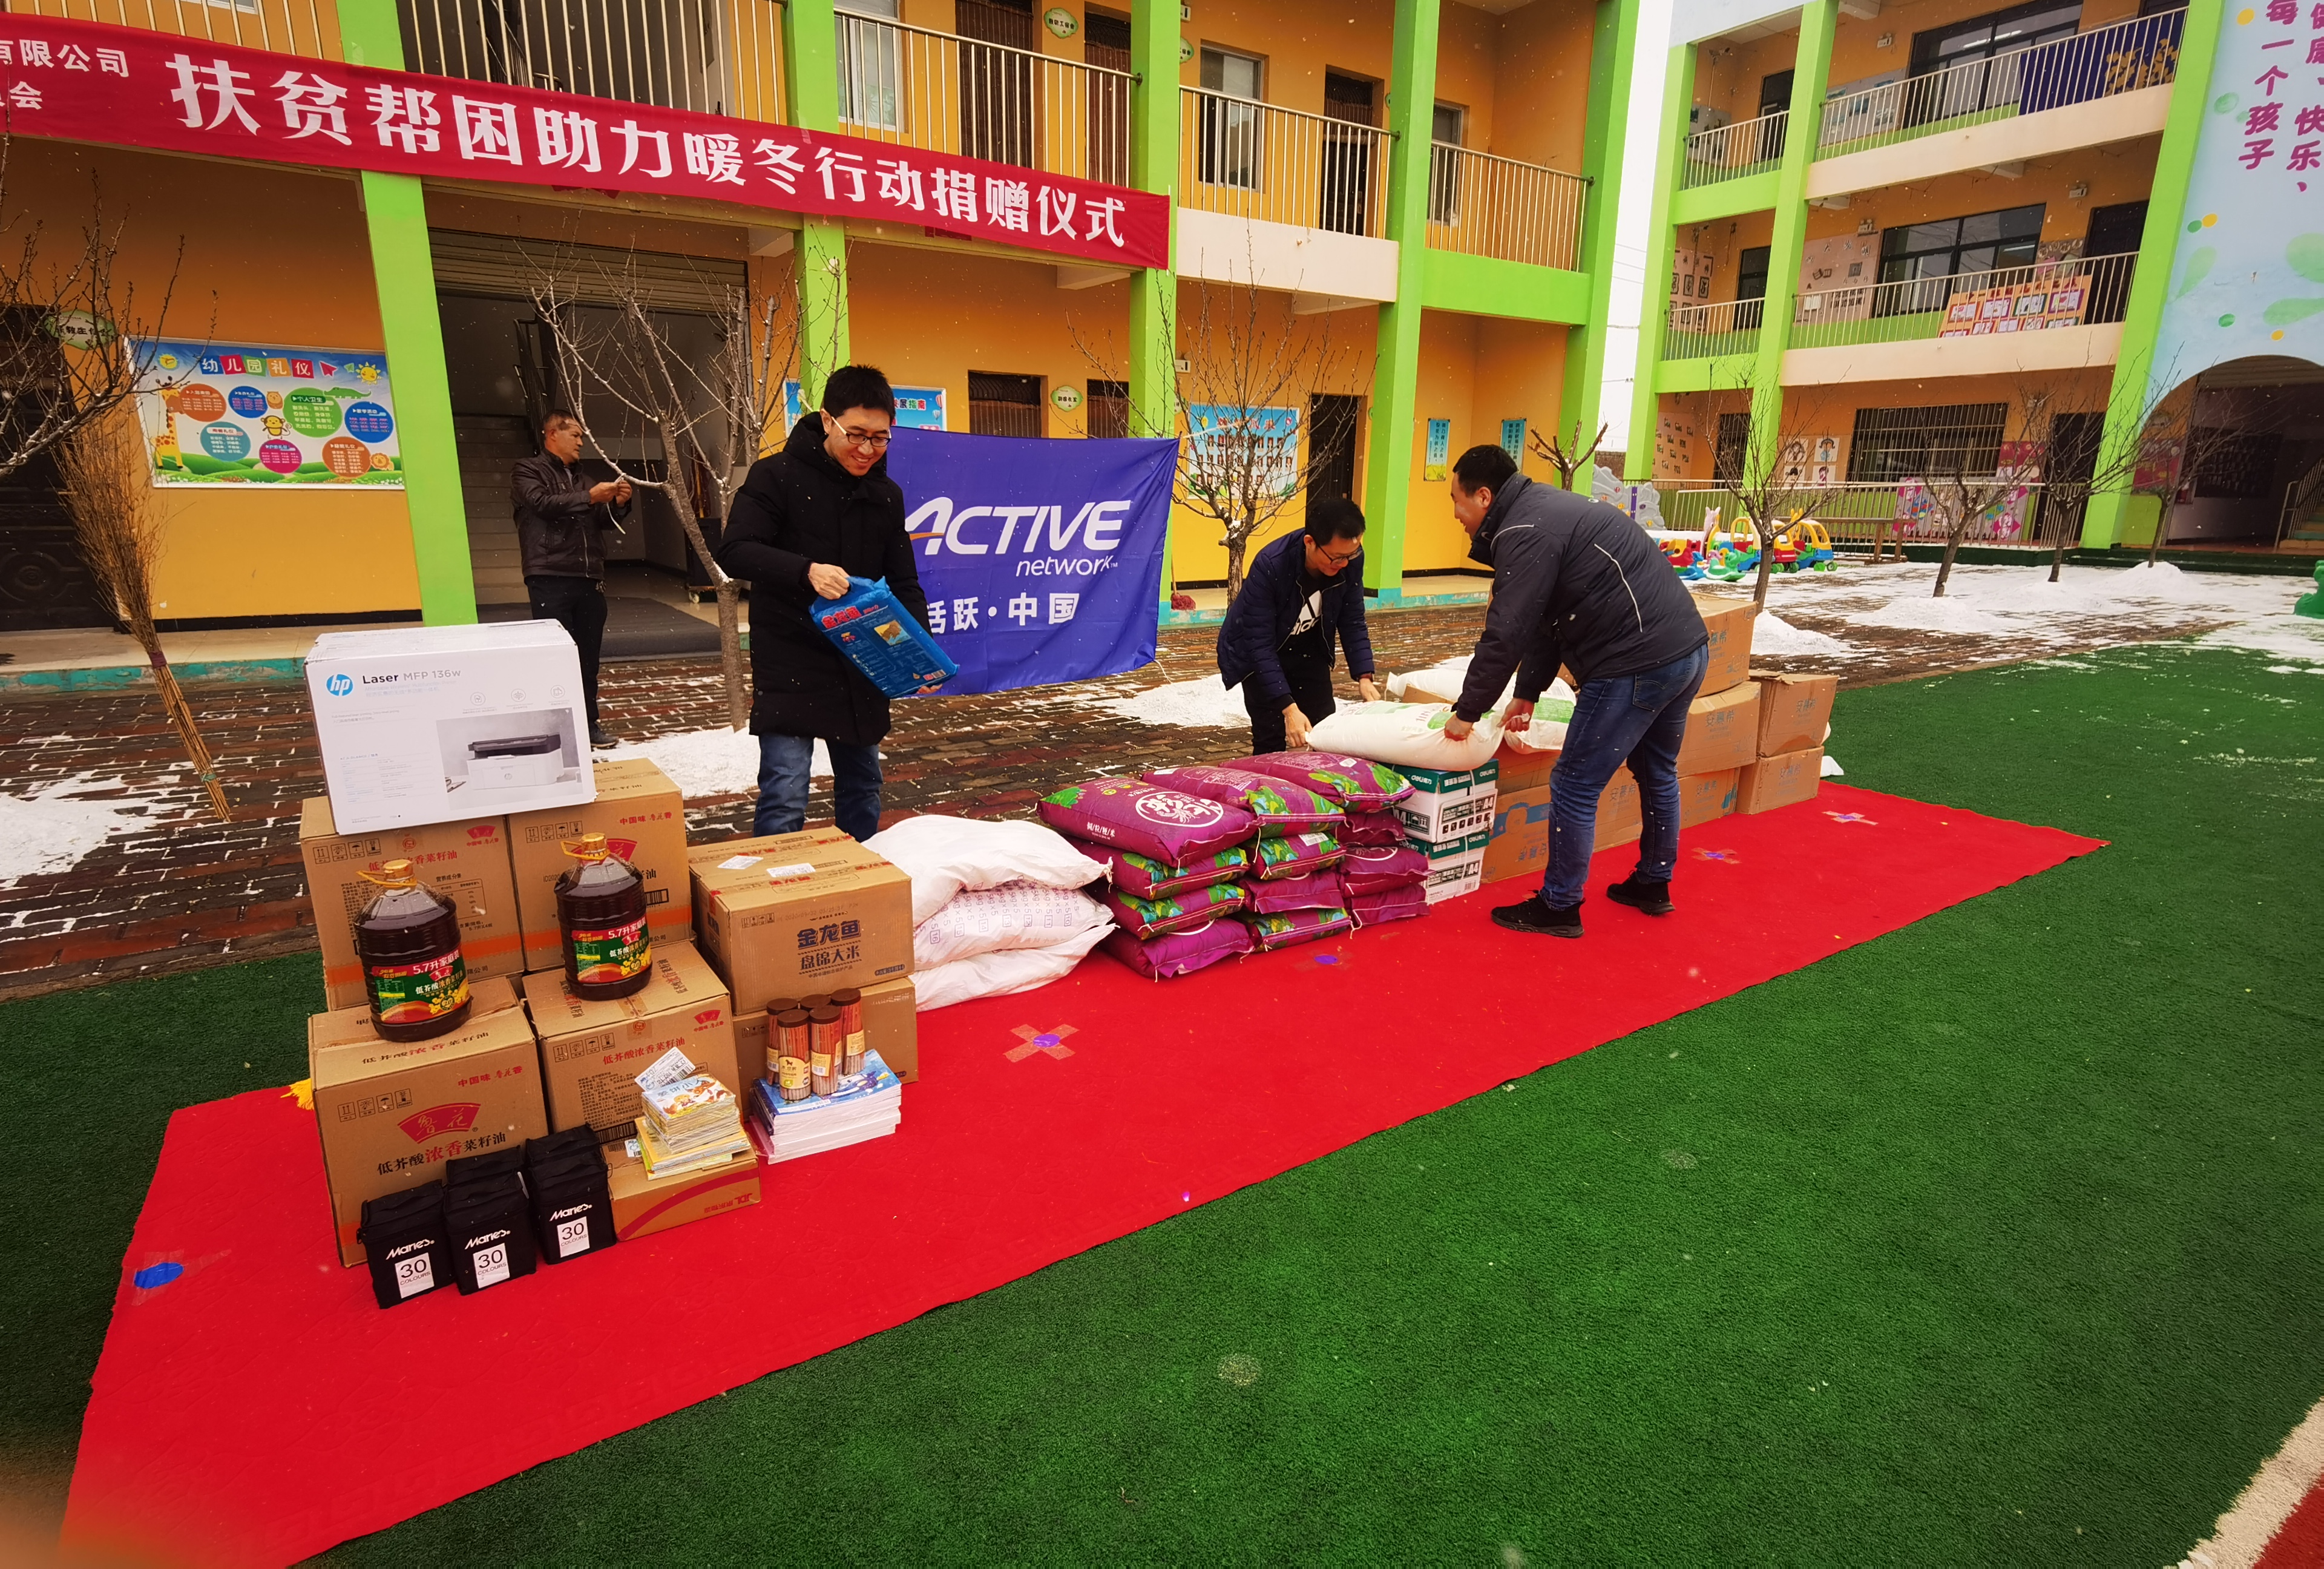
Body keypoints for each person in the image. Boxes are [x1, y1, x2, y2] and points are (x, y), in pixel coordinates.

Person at [1440, 444, 1709, 939]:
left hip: (1635, 661)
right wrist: (1528, 691)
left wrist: (1467, 712)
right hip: (1685, 650)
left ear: (1483, 496)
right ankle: (1653, 883)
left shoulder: (1523, 530)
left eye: (1456, 501)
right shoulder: (1546, 508)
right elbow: (1548, 620)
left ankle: (1559, 905)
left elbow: (1508, 630)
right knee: (1656, 769)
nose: (1455, 514)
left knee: (1575, 784)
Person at [715, 364, 933, 842]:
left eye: (880, 439)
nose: (866, 449)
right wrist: (805, 570)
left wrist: (922, 655)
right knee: (786, 789)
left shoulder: (885, 495)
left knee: (863, 787)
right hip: (792, 655)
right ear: (827, 420)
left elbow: (904, 581)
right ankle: (773, 901)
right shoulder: (777, 475)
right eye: (856, 434)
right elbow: (734, 549)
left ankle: (857, 886)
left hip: (861, 658)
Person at [1216, 498, 1381, 754]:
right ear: (1310, 543)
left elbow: (1352, 618)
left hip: (1308, 646)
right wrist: (1288, 708)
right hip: (1257, 654)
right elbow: (1259, 644)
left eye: (1352, 554)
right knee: (1270, 735)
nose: (1345, 564)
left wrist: (1364, 676)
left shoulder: (1348, 558)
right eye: (1337, 558)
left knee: (1324, 728)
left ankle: (1320, 788)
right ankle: (1268, 790)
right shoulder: (1272, 565)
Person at [512, 412, 631, 748]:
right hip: (549, 575)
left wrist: (619, 504)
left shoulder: (583, 479)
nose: (581, 442)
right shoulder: (527, 470)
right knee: (555, 658)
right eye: (575, 435)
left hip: (589, 577)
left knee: (588, 658)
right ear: (553, 434)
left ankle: (589, 725)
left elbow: (601, 521)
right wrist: (591, 496)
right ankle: (559, 727)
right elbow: (541, 504)